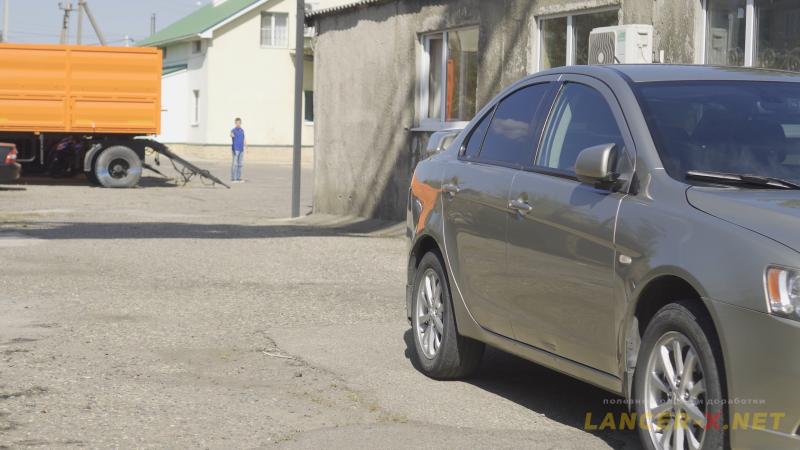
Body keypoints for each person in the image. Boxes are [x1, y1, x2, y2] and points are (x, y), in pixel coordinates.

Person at [230, 118, 246, 183]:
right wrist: (231, 135)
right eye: (237, 123)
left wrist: (245, 145)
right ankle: (234, 178)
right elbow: (231, 135)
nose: (238, 124)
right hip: (235, 149)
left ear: (240, 123)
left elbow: (244, 138)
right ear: (235, 123)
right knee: (235, 164)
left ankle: (239, 178)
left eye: (239, 123)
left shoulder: (242, 130)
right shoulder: (233, 130)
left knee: (240, 164)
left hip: (241, 149)